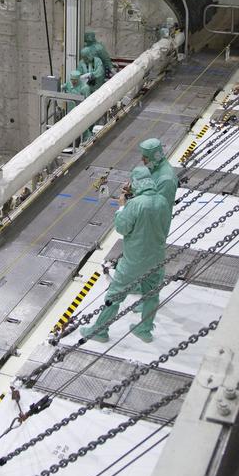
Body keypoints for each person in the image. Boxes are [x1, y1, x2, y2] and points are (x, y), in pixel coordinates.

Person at [80, 166, 167, 344]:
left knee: (115, 294)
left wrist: (122, 208)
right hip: (157, 257)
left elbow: (122, 228)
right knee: (152, 294)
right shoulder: (162, 201)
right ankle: (145, 330)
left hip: (135, 260)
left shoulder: (134, 204)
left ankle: (100, 331)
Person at [139, 138, 178, 230]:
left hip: (153, 229)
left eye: (145, 157)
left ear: (154, 157)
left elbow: (157, 209)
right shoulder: (154, 167)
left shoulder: (166, 179)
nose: (142, 159)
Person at [63, 69, 94, 141]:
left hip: (81, 111)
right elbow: (64, 87)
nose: (73, 82)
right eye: (72, 80)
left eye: (75, 80)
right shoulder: (69, 84)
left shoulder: (85, 88)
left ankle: (87, 140)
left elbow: (88, 102)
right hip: (70, 110)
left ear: (78, 79)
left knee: (82, 127)